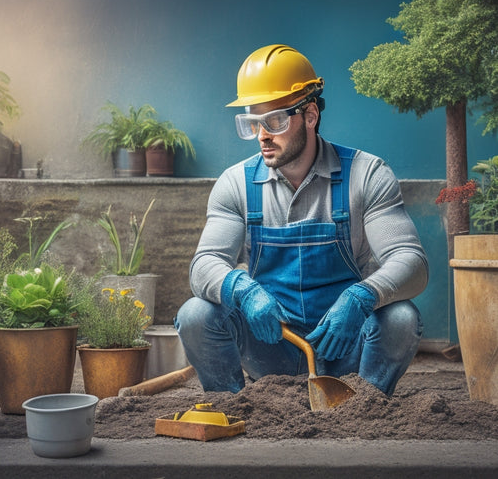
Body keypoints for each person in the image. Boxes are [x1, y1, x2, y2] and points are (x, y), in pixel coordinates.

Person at [174, 44, 428, 397]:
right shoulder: (236, 184)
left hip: (345, 345)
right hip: (271, 344)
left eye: (274, 120)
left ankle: (366, 407)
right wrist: (243, 291)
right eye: (252, 123)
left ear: (310, 114)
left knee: (400, 317)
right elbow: (204, 265)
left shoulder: (366, 174)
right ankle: (232, 407)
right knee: (195, 314)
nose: (262, 135)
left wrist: (361, 298)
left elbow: (411, 262)